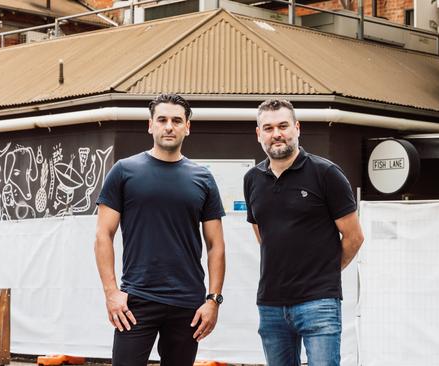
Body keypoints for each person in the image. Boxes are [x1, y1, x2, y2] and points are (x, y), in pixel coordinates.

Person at [94, 93, 226, 366]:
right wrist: (111, 293)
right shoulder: (124, 171)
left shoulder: (202, 177)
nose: (169, 126)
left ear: (187, 127)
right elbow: (103, 235)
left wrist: (213, 300)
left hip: (187, 303)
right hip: (136, 300)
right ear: (150, 125)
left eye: (177, 120)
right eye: (162, 119)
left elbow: (216, 245)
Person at [243, 99, 365, 366]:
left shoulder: (326, 173)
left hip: (318, 302)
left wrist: (323, 273)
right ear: (258, 134)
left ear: (297, 128)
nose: (277, 134)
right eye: (269, 127)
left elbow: (354, 237)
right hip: (271, 303)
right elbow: (261, 231)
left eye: (284, 126)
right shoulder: (252, 179)